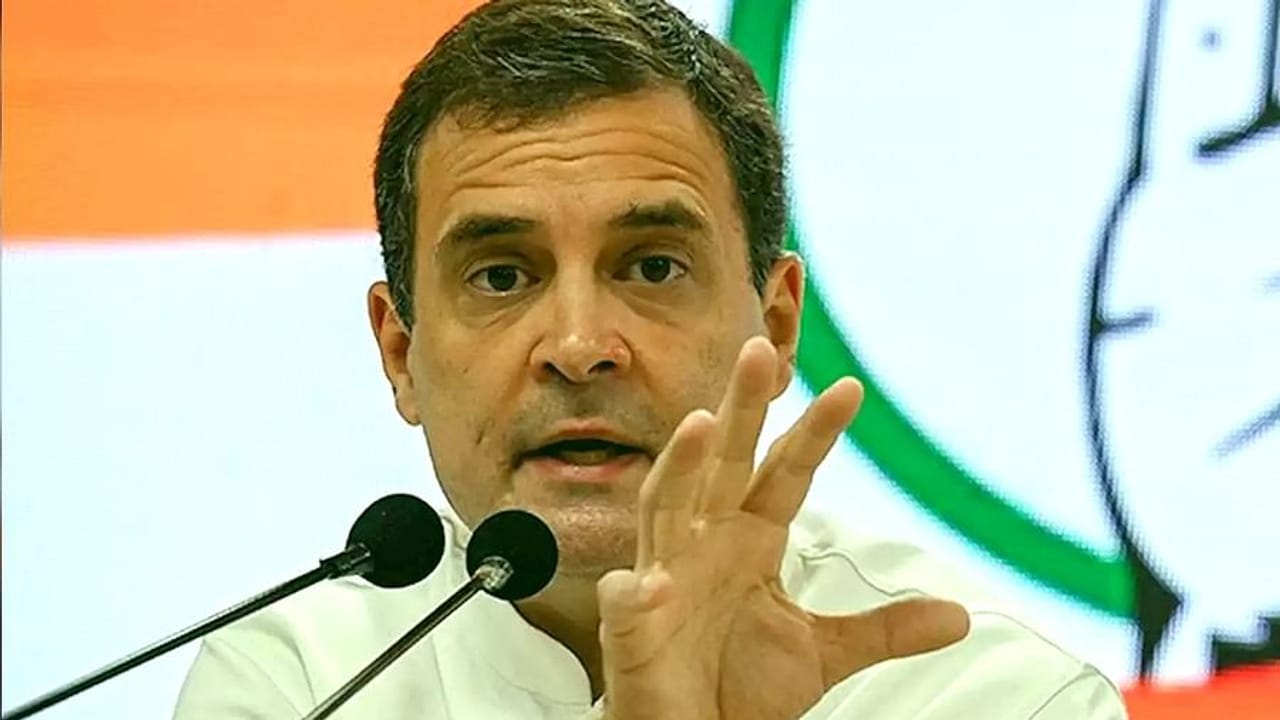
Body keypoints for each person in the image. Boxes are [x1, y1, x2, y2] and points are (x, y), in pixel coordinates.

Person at [172, 1, 1128, 717]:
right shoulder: (297, 686)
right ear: (400, 353)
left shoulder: (986, 694)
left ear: (776, 327)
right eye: (501, 276)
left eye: (654, 265)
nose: (579, 348)